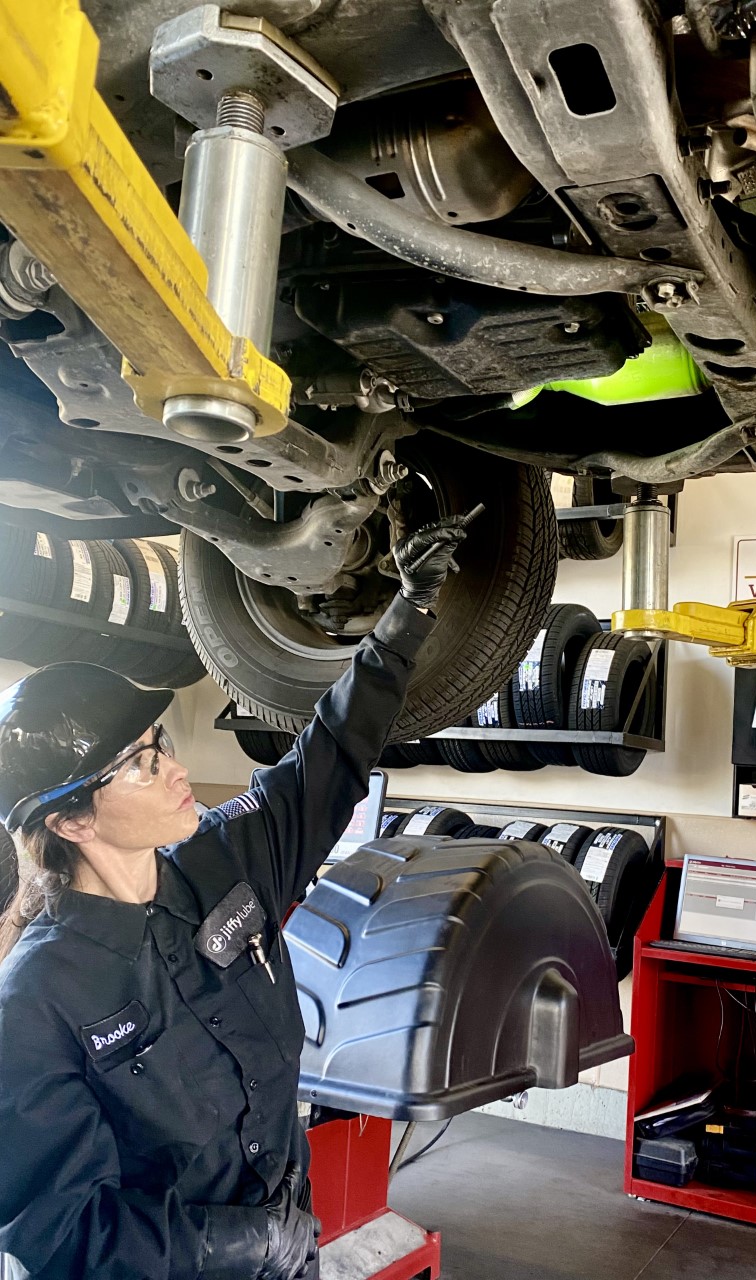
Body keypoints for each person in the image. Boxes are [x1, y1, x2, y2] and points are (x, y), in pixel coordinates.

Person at [0, 516, 469, 1280]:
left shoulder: (222, 861)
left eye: (163, 743)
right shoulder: (35, 1004)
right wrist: (245, 1242)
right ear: (71, 819)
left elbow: (329, 756)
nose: (175, 770)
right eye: (142, 765)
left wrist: (407, 612)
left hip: (292, 1258)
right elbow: (62, 1229)